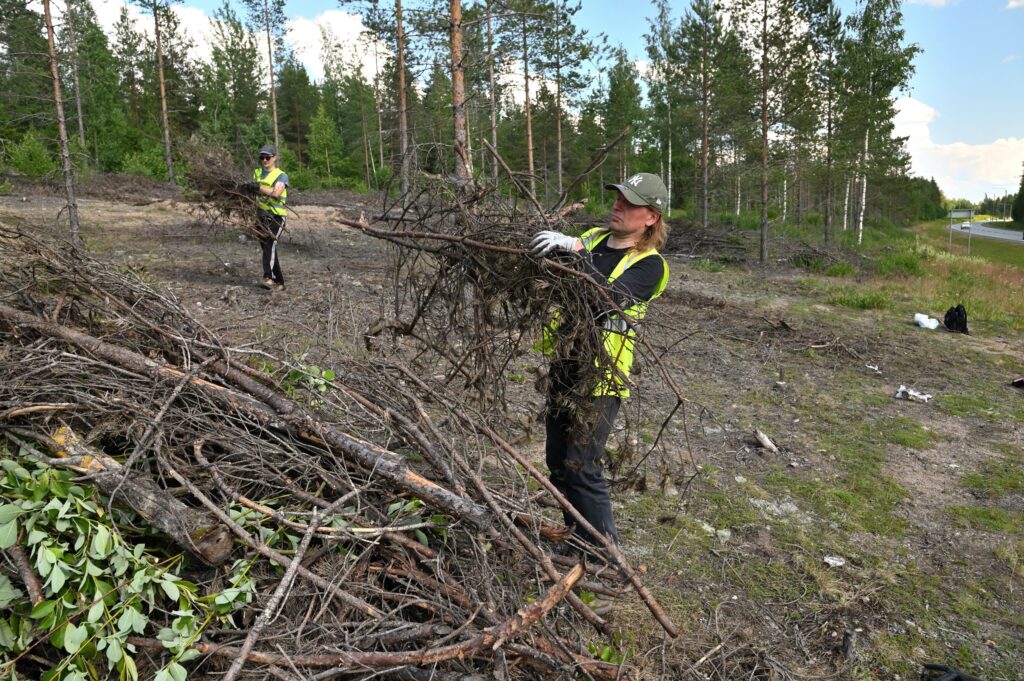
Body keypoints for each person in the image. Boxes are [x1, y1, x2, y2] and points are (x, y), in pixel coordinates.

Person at [530, 172, 670, 549]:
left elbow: (605, 299)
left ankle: (604, 553)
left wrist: (572, 251)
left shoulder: (650, 266)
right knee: (558, 461)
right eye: (618, 198)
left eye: (630, 203)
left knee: (582, 466)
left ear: (651, 217)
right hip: (566, 363)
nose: (618, 206)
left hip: (601, 376)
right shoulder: (592, 238)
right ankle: (577, 540)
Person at [245, 145, 288, 291]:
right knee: (267, 248)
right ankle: (280, 282)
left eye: (268, 157)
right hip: (260, 216)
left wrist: (259, 188)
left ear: (275, 158)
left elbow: (276, 193)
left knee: (270, 244)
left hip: (276, 216)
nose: (264, 160)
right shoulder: (256, 173)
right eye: (262, 157)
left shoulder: (281, 175)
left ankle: (268, 277)